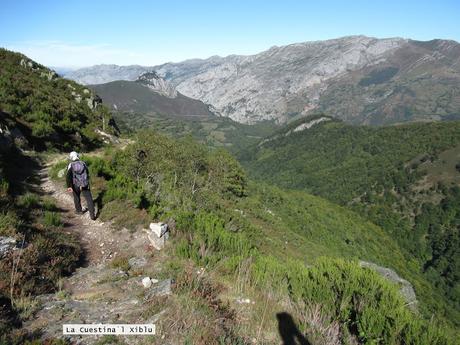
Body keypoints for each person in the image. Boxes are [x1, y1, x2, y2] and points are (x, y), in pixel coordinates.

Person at [66, 151, 96, 220]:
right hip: (84, 184)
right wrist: (86, 181)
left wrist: (69, 186)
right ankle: (92, 214)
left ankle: (79, 211)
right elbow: (87, 173)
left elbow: (68, 176)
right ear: (78, 156)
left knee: (76, 197)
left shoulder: (71, 165)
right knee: (89, 198)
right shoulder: (83, 163)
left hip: (75, 184)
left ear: (71, 157)